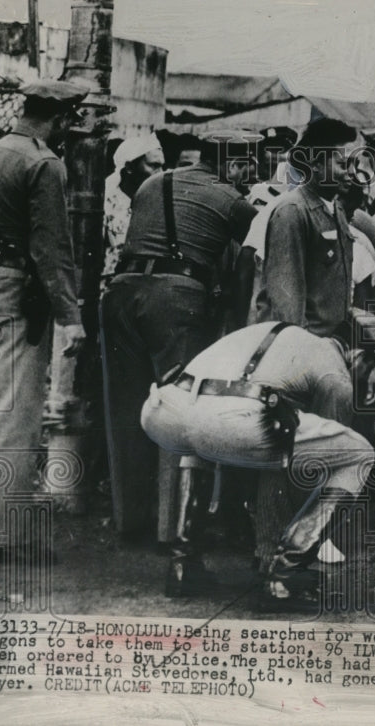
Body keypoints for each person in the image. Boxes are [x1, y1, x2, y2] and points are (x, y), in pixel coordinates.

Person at [140, 316, 375, 603]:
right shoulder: (333, 367)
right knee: (359, 455)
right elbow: (317, 467)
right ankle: (286, 572)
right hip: (231, 418)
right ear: (356, 354)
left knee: (203, 437)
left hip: (165, 408)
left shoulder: (274, 332)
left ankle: (182, 565)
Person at [99, 129, 260, 542]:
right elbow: (256, 252)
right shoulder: (231, 199)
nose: (250, 172)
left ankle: (129, 521)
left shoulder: (155, 181)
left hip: (121, 293)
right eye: (247, 164)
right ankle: (171, 531)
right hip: (175, 301)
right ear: (233, 163)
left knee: (128, 410)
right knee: (177, 408)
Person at [0, 79, 89, 556]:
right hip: (14, 289)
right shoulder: (44, 163)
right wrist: (69, 316)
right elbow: (52, 247)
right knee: (11, 413)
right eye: (67, 121)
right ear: (58, 119)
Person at [256, 119, 357, 339]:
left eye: (353, 164)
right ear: (315, 165)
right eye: (342, 165)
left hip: (329, 348)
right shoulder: (292, 211)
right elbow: (287, 306)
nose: (351, 173)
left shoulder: (335, 209)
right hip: (304, 350)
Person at [102, 134, 165, 279]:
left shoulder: (161, 202)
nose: (161, 173)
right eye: (154, 166)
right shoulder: (105, 202)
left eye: (162, 166)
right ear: (129, 167)